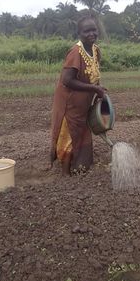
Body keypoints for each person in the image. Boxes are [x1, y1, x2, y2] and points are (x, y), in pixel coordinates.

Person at [50, 16, 106, 175]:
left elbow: (94, 74)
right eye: (86, 31)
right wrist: (94, 89)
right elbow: (67, 80)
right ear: (79, 33)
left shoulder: (95, 50)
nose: (91, 34)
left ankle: (80, 167)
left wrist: (98, 89)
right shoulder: (76, 52)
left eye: (94, 30)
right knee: (70, 135)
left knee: (83, 131)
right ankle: (66, 172)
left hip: (84, 103)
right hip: (70, 104)